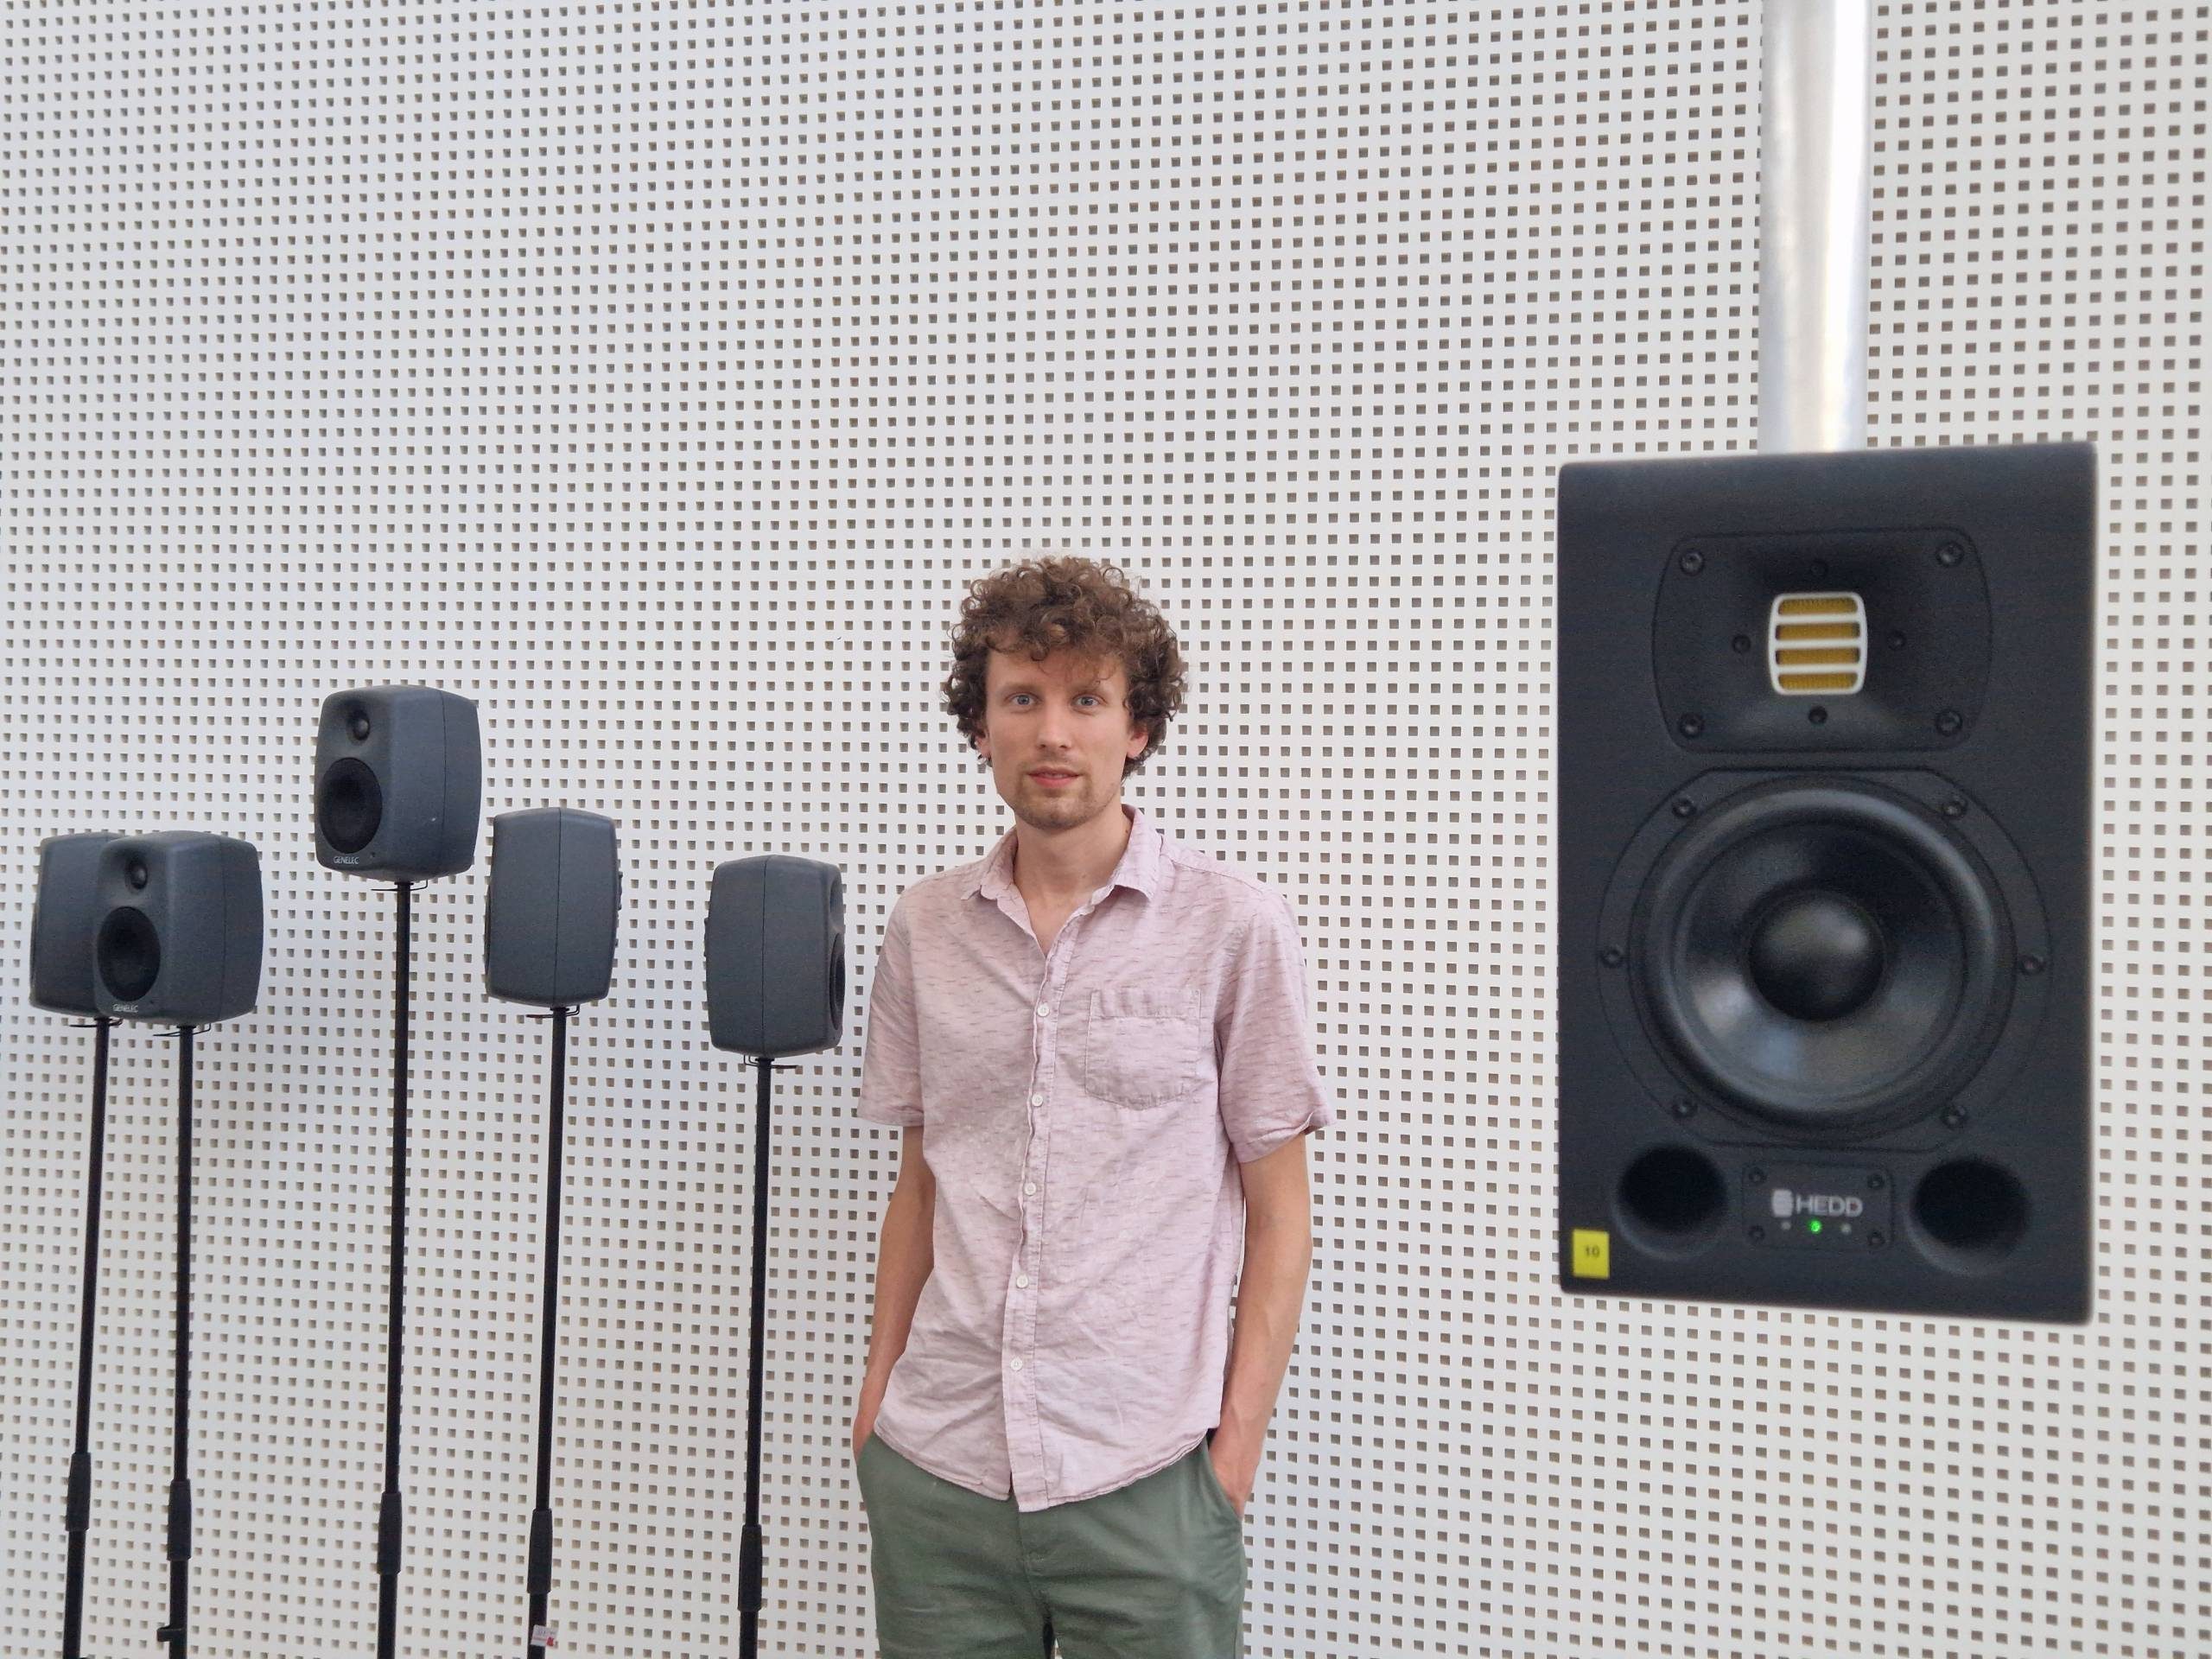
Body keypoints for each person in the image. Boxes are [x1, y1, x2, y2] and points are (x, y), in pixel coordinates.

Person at [849, 553, 1335, 1658]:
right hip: (940, 1470)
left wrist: (1230, 1460)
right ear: (980, 726)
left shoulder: (1232, 927)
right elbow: (922, 1185)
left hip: (1146, 1478)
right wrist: (877, 1404)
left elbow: (1279, 1213)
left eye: (1086, 699)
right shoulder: (925, 928)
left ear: (1139, 728)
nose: (1052, 733)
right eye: (1021, 698)